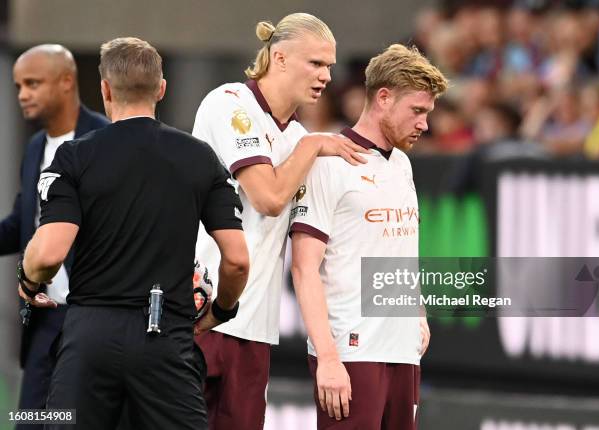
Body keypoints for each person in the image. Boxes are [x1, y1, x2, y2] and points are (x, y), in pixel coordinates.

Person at [18, 37, 249, 430]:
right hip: (166, 335)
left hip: (89, 335)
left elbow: (47, 254)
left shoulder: (74, 156)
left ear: (105, 89)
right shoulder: (200, 157)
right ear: (161, 89)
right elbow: (238, 259)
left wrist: (27, 280)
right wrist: (222, 309)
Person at [192, 12, 367, 430]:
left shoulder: (297, 137)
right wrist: (312, 146)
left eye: (329, 65)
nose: (326, 75)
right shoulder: (230, 104)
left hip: (256, 328)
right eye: (316, 63)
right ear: (280, 58)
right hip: (200, 311)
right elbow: (268, 197)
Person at [290, 44, 448, 429]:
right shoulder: (329, 162)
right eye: (417, 111)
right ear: (383, 98)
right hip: (351, 352)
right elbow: (303, 266)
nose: (424, 124)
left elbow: (399, 248)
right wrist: (327, 357)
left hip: (403, 350)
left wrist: (419, 312)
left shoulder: (403, 165)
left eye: (427, 113)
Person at [3, 44, 108, 426]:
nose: (23, 95)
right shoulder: (34, 148)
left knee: (74, 422)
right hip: (42, 321)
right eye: (18, 86)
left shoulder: (106, 139)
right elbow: (22, 225)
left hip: (92, 320)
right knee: (29, 421)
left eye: (32, 83)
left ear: (67, 81)